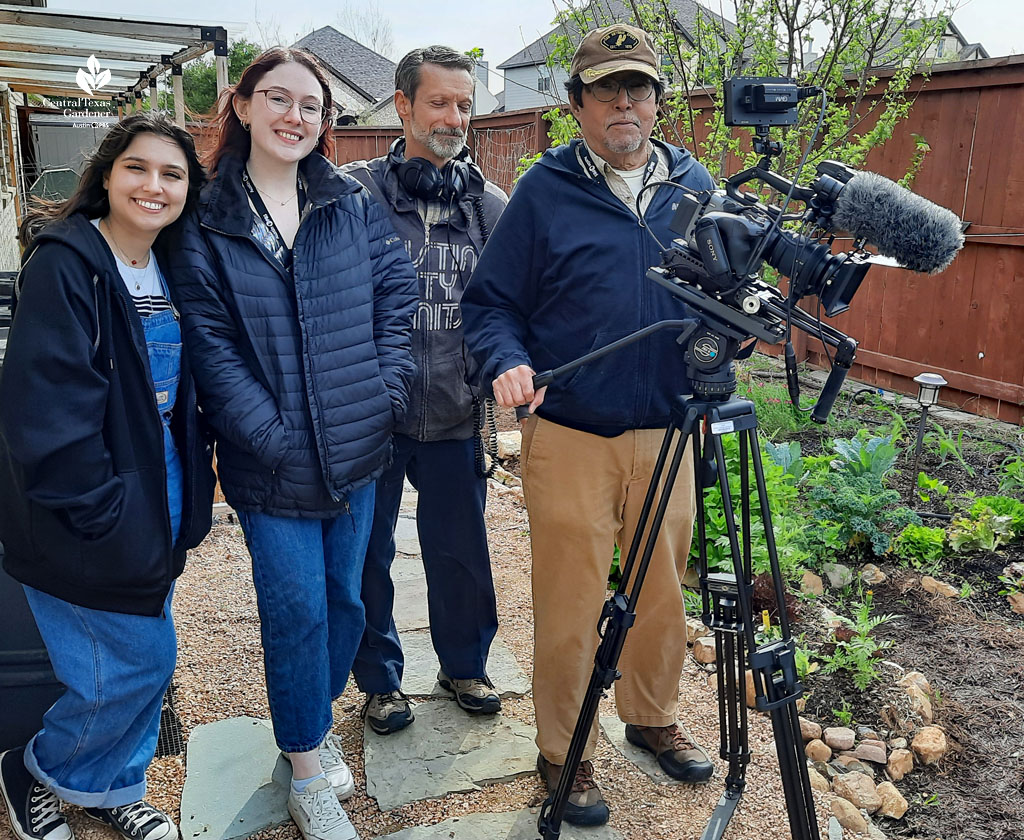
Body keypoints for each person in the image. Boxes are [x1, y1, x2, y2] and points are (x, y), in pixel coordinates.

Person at [462, 24, 717, 827]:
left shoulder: (695, 185)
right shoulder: (544, 189)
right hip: (570, 431)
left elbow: (724, 297)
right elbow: (491, 305)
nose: (625, 104)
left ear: (657, 101)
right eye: (606, 89)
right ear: (575, 104)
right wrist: (505, 359)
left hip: (668, 432)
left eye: (637, 88)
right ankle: (562, 752)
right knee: (571, 602)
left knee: (663, 593)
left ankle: (650, 717)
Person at [168, 48, 417, 840]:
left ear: (326, 123)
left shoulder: (349, 201)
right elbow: (208, 341)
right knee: (297, 609)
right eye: (278, 98)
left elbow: (395, 302)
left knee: (346, 599)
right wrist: (269, 434)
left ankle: (304, 730)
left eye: (312, 106)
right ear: (240, 105)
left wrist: (384, 399)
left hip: (358, 447)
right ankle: (306, 767)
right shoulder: (205, 216)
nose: (295, 117)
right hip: (269, 457)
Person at [0, 113, 215, 840]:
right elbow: (43, 407)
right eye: (138, 169)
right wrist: (98, 510)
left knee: (136, 660)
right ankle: (36, 770)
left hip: (161, 486)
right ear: (107, 175)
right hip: (85, 502)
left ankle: (110, 784)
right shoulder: (64, 263)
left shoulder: (173, 264)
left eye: (172, 174)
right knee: (132, 666)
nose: (154, 186)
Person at [342, 45, 506, 735]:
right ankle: (380, 682)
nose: (454, 116)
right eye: (439, 101)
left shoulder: (491, 207)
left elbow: (508, 305)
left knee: (462, 553)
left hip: (457, 412)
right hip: (372, 417)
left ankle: (465, 663)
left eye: (465, 104)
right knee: (367, 554)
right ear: (402, 106)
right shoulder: (353, 193)